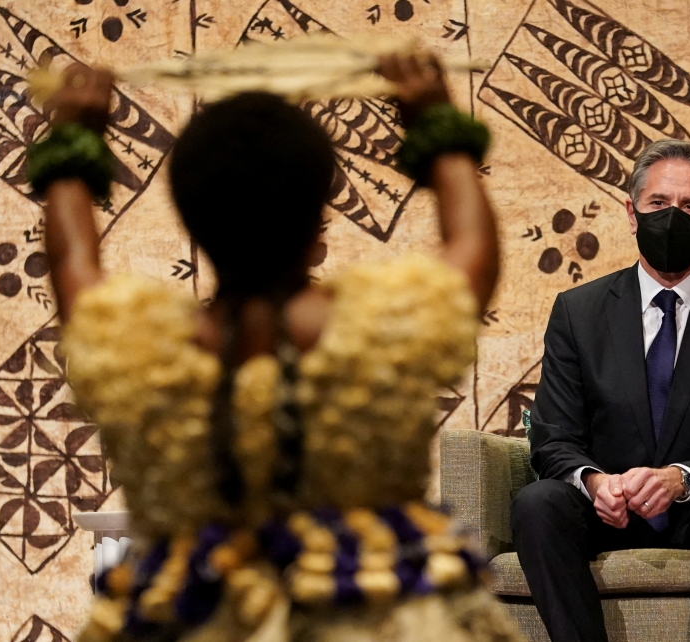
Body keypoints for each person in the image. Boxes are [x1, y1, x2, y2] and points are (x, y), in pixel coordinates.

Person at [33, 54, 523, 642]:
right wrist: (436, 123)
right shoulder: (386, 330)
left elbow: (71, 263)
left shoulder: (135, 347)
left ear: (191, 217)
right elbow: (473, 247)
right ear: (320, 208)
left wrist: (73, 137)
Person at [512, 139, 690, 642]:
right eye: (658, 204)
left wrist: (680, 479)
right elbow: (553, 436)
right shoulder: (578, 312)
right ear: (631, 212)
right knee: (538, 503)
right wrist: (597, 484)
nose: (673, 217)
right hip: (607, 511)